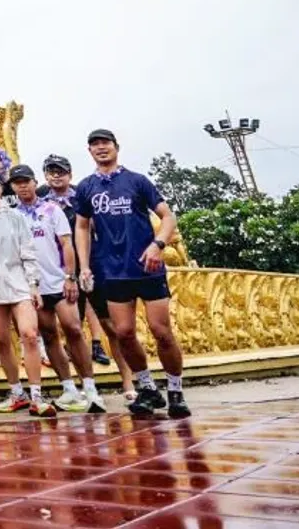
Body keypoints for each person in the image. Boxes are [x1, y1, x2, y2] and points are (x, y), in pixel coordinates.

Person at [74, 129, 190, 419]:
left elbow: (168, 216)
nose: (101, 149)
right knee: (123, 333)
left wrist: (158, 245)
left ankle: (175, 389)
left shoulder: (136, 181)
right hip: (112, 270)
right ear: (89, 152)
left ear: (116, 147)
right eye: (95, 145)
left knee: (161, 330)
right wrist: (85, 264)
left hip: (147, 267)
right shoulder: (87, 187)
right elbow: (82, 227)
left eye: (105, 144)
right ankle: (148, 388)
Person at [12, 163, 105, 414]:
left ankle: (90, 387)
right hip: (34, 286)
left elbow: (67, 244)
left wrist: (70, 277)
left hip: (58, 280)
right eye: (17, 182)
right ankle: (68, 387)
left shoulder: (52, 209)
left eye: (26, 181)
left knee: (74, 329)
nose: (22, 186)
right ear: (12, 186)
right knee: (49, 334)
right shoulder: (13, 216)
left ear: (34, 182)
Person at [0, 172, 53, 418]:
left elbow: (28, 251)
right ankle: (17, 392)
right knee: (2, 341)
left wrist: (33, 284)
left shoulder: (15, 215)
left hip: (19, 283)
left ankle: (37, 395)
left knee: (29, 335)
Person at [42, 153, 113, 369]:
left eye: (61, 171)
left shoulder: (82, 196)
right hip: (57, 267)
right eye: (51, 172)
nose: (56, 176)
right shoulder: (41, 202)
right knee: (72, 321)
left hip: (88, 262)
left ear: (69, 174)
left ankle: (99, 345)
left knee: (104, 315)